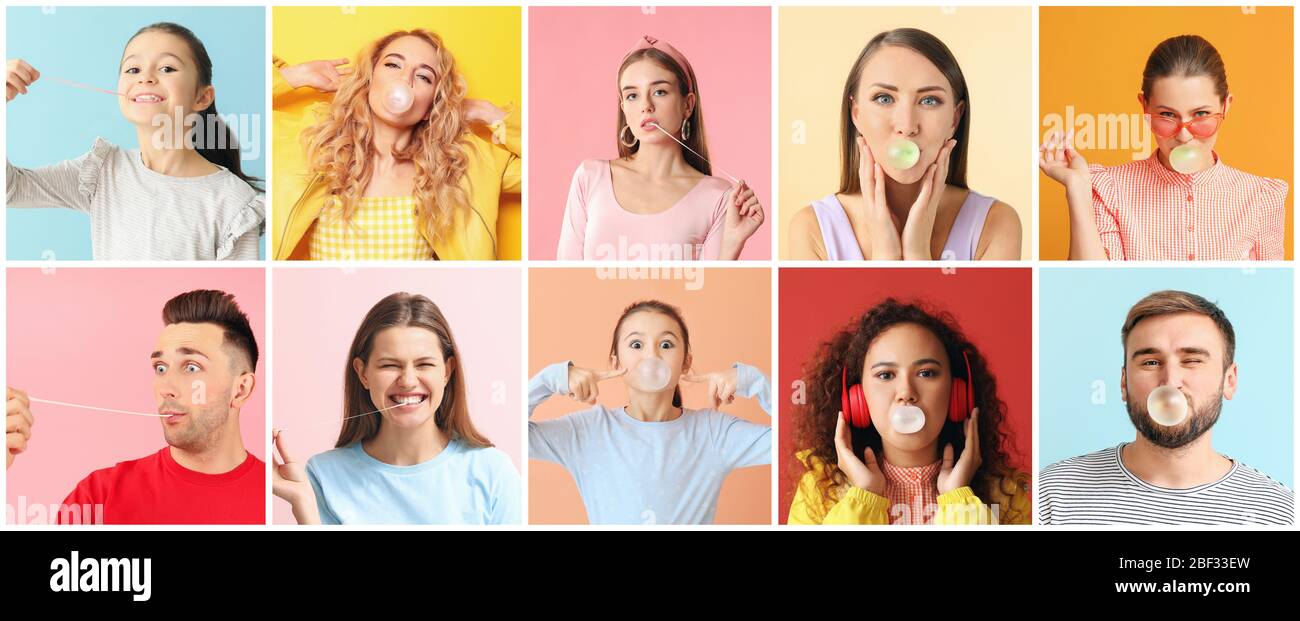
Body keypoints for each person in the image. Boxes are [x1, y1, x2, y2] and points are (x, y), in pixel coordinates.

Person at [6, 22, 264, 260]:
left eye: (167, 68)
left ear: (203, 97)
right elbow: (11, 189)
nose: (146, 78)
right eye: (133, 69)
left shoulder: (233, 200)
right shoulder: (102, 171)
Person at [1040, 290, 1294, 524]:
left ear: (1229, 381)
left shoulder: (1283, 514)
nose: (1170, 382)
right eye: (1151, 362)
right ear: (1124, 381)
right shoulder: (1049, 496)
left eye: (1192, 360)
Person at [272, 293, 521, 524]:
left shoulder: (493, 472)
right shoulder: (323, 475)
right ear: (362, 373)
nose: (408, 380)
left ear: (447, 371)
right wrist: (304, 507)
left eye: (424, 364)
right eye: (390, 365)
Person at [273, 29, 520, 260]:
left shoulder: (464, 163)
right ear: (369, 80)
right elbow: (236, 115)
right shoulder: (313, 142)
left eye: (424, 76)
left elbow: (551, 172)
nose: (405, 79)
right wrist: (295, 76)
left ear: (431, 105)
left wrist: (489, 113)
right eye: (393, 64)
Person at [1040, 35, 1287, 260]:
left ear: (1225, 106)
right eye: (1167, 115)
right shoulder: (1108, 189)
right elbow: (1091, 288)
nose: (1183, 135)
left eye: (1201, 114)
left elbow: (1275, 293)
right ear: (1145, 107)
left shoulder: (1262, 197)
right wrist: (1078, 189)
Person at [787, 298, 1030, 524]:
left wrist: (960, 501)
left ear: (958, 392)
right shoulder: (819, 492)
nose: (906, 391)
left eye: (926, 373)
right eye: (885, 375)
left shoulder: (1005, 495)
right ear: (857, 398)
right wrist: (864, 498)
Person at [528, 300, 771, 524]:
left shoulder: (714, 433)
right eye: (636, 344)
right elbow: (508, 434)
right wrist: (553, 378)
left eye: (666, 344)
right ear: (616, 363)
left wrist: (753, 381)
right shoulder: (588, 432)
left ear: (686, 362)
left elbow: (797, 442)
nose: (652, 355)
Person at [788, 28, 1021, 261]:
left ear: (954, 119)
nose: (907, 126)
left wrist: (918, 252)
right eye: (884, 98)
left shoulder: (996, 224)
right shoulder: (812, 228)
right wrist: (885, 254)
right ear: (856, 113)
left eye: (929, 100)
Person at [56, 289, 264, 524]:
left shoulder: (279, 497)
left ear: (241, 389)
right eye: (161, 368)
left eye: (191, 367)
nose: (166, 387)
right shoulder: (97, 497)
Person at [557, 35, 764, 260]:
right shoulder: (590, 177)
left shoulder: (719, 197)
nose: (646, 106)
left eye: (659, 92)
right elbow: (564, 277)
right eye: (632, 95)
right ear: (624, 108)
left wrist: (732, 243)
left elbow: (708, 290)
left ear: (688, 104)